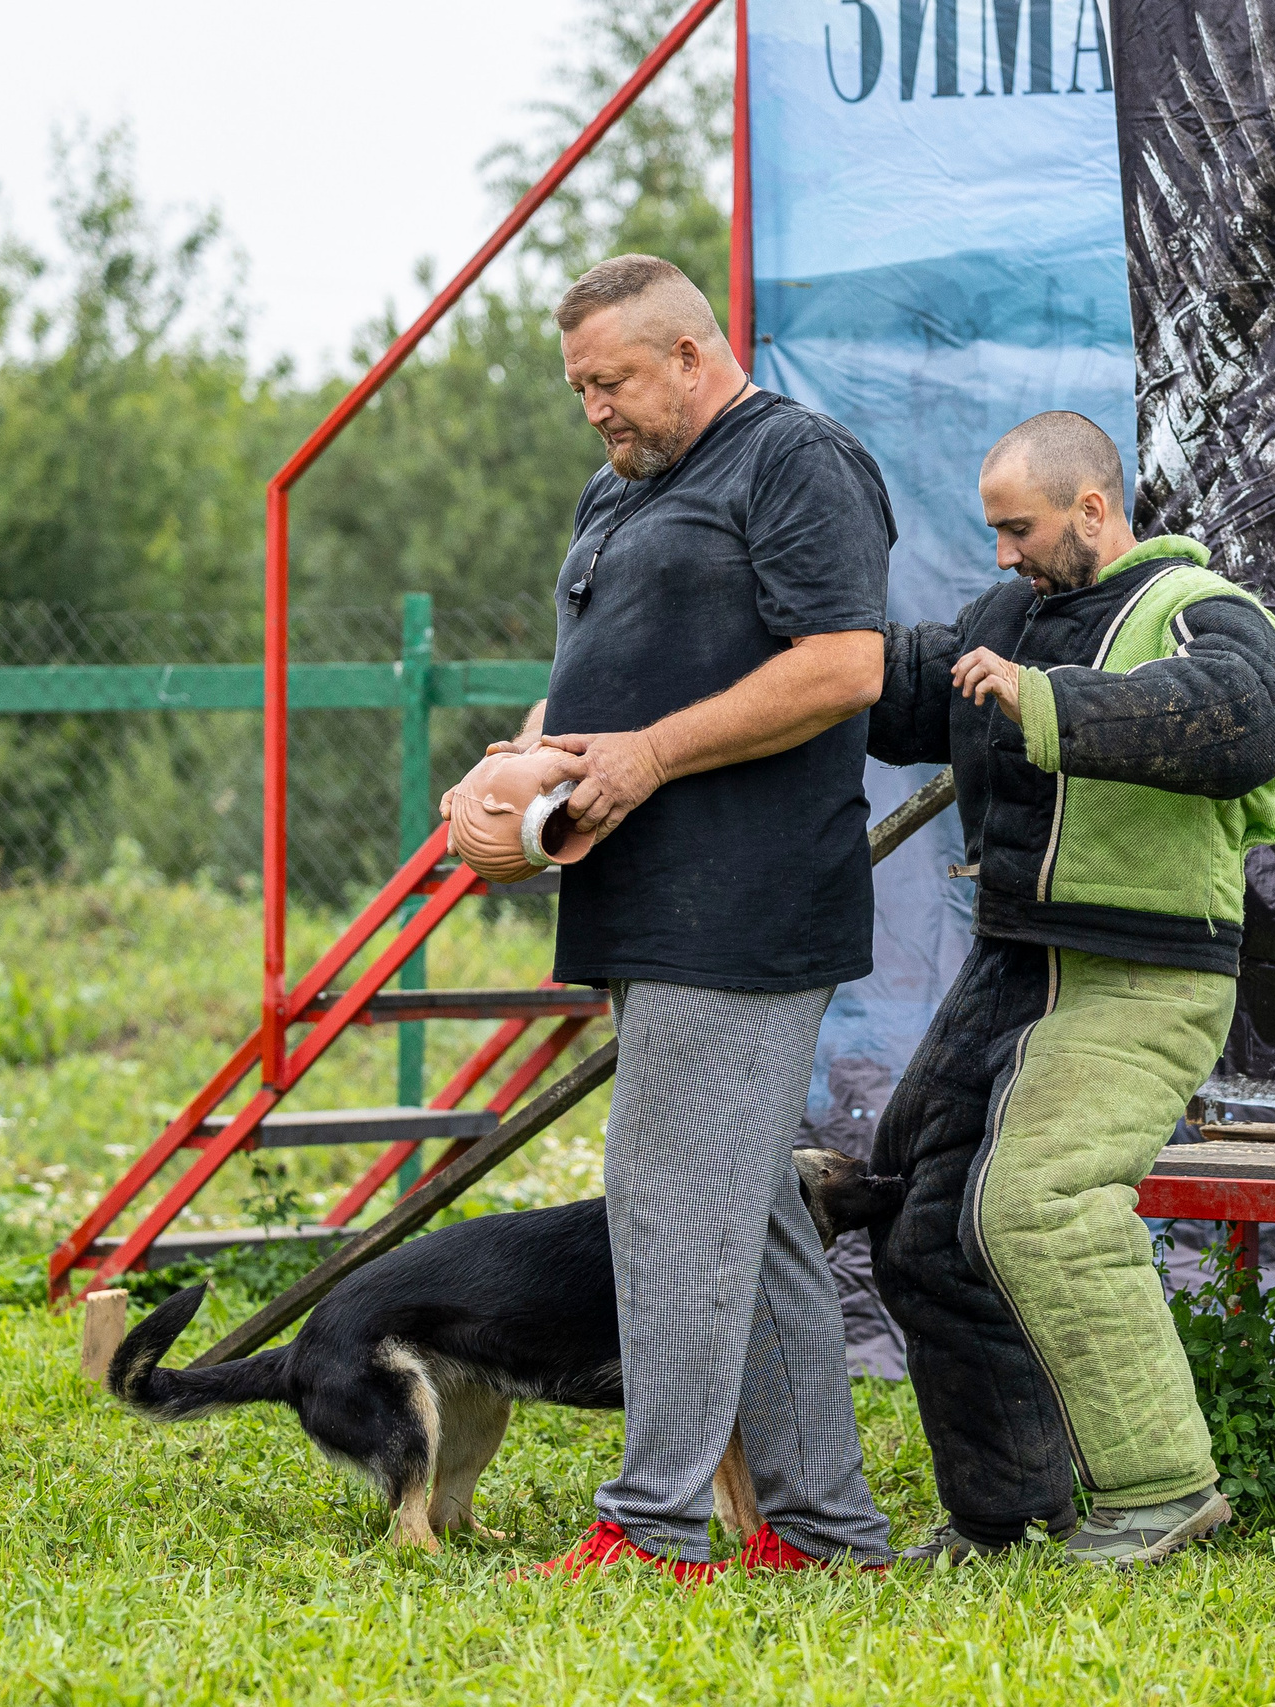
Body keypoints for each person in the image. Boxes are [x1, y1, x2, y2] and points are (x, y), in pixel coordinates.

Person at [478, 253, 897, 1578]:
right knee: (749, 1212)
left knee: (665, 1203)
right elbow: (588, 679)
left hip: (746, 899)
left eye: (611, 380)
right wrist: (512, 766)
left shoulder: (797, 462)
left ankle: (654, 1522)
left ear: (688, 354)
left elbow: (842, 663)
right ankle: (827, 1530)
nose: (595, 408)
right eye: (579, 387)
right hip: (646, 897)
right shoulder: (623, 491)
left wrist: (650, 756)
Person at [864, 411, 1275, 1568]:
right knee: (923, 1229)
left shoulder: (1205, 612)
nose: (1002, 553)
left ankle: (1164, 1490)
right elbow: (908, 688)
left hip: (1145, 971)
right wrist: (794, 652)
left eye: (1019, 528)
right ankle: (1004, 1517)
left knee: (1038, 1209)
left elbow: (1243, 722)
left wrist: (1042, 698)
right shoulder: (1008, 616)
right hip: (1014, 963)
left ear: (1092, 510)